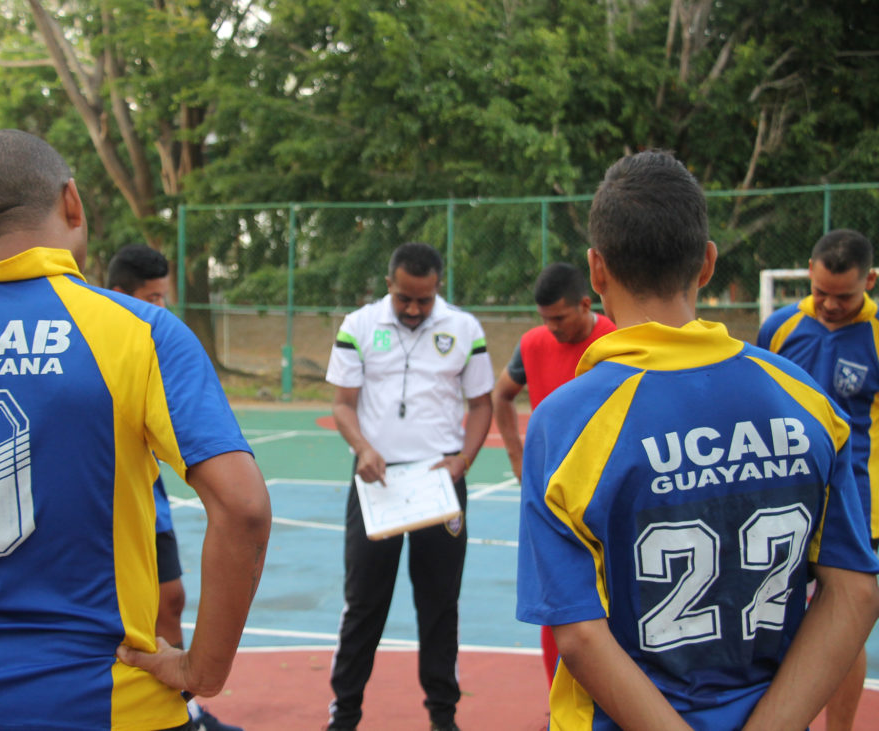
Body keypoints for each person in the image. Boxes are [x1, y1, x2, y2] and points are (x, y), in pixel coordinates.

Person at [0, 128, 272, 730]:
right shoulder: (141, 332)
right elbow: (244, 507)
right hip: (108, 701)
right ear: (73, 203)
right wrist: (202, 670)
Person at [516, 149, 879, 730]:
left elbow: (579, 634)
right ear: (707, 264)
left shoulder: (567, 422)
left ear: (596, 270)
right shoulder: (806, 400)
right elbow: (855, 593)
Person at [324, 242, 493, 731]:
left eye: (425, 299)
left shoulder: (464, 329)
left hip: (439, 485)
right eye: (405, 299)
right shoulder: (358, 326)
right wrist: (364, 448)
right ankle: (344, 715)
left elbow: (481, 404)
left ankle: (444, 717)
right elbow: (342, 404)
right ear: (389, 285)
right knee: (364, 604)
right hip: (376, 480)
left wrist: (463, 460)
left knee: (439, 605)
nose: (415, 309)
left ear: (438, 286)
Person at [107, 243, 242, 731]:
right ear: (119, 294)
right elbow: (244, 507)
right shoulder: (118, 347)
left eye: (165, 296)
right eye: (153, 296)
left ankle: (185, 705)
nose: (162, 307)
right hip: (117, 516)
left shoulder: (155, 343)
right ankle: (170, 703)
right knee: (134, 618)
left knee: (172, 599)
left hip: (152, 505)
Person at [756, 228, 879, 731]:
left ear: (870, 280)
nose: (829, 304)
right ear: (809, 270)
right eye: (821, 291)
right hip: (791, 504)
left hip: (862, 507)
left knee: (844, 629)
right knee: (777, 622)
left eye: (844, 295)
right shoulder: (779, 328)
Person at [492, 261, 615, 690]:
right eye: (544, 319)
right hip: (552, 498)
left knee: (613, 601)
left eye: (559, 318)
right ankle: (557, 704)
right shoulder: (532, 344)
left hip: (606, 490)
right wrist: (516, 456)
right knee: (556, 604)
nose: (552, 328)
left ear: (586, 303)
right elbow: (501, 396)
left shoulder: (617, 340)